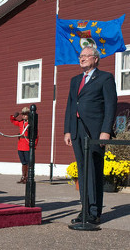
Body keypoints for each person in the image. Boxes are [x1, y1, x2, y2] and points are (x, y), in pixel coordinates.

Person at [64, 46, 117, 225]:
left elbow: (110, 106)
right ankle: (84, 210)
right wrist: (68, 130)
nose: (82, 58)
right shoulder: (75, 80)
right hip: (77, 130)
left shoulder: (105, 78)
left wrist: (106, 131)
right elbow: (71, 106)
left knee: (93, 171)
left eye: (86, 56)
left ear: (95, 59)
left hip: (95, 132)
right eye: (81, 56)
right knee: (82, 170)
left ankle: (94, 212)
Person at [10, 107, 31, 184]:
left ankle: (28, 177)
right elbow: (12, 121)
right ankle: (23, 176)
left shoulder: (31, 124)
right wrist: (14, 116)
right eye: (23, 115)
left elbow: (36, 135)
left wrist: (33, 145)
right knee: (23, 162)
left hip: (27, 144)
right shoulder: (21, 122)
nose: (24, 116)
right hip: (20, 145)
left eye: (25, 114)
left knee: (28, 162)